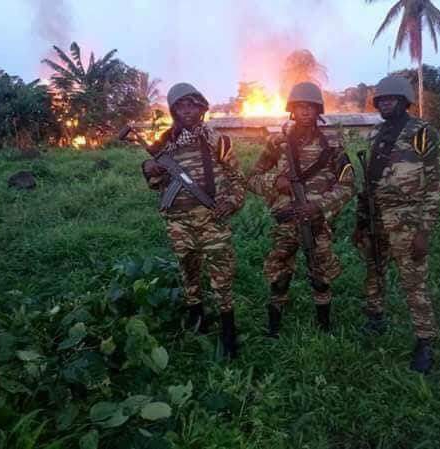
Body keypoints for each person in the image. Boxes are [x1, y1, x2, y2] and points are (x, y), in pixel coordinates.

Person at [141, 82, 246, 358]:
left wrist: (231, 202)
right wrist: (150, 169)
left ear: (201, 108)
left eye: (192, 105)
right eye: (181, 106)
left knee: (222, 276)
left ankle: (228, 334)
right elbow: (155, 184)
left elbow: (237, 179)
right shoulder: (165, 143)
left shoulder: (217, 140)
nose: (187, 111)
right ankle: (197, 323)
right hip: (178, 222)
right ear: (174, 111)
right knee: (189, 272)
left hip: (212, 220)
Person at [247, 81, 355, 337]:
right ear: (292, 110)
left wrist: (319, 206)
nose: (306, 111)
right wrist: (275, 181)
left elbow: (348, 185)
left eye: (311, 106)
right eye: (300, 106)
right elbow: (251, 178)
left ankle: (324, 328)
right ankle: (274, 329)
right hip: (286, 223)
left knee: (321, 276)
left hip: (317, 223)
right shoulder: (277, 143)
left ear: (319, 110)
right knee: (279, 276)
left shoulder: (332, 145)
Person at [353, 76, 440, 373]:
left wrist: (423, 231)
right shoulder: (375, 134)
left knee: (413, 281)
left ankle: (425, 341)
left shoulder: (422, 133)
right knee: (374, 271)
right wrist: (360, 222)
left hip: (407, 221)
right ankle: (375, 318)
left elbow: (435, 185)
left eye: (391, 99)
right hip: (375, 217)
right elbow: (368, 183)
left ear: (405, 101)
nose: (385, 103)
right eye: (381, 100)